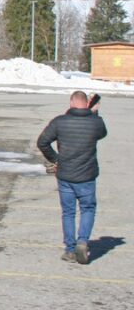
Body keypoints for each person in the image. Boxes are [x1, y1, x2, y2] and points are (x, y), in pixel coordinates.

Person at [37, 91, 107, 264]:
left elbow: (42, 142)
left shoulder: (59, 121)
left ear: (71, 103)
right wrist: (94, 113)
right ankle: (82, 241)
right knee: (87, 209)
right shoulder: (96, 122)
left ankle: (70, 250)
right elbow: (102, 134)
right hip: (87, 175)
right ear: (87, 104)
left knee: (68, 212)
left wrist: (56, 159)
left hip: (65, 175)